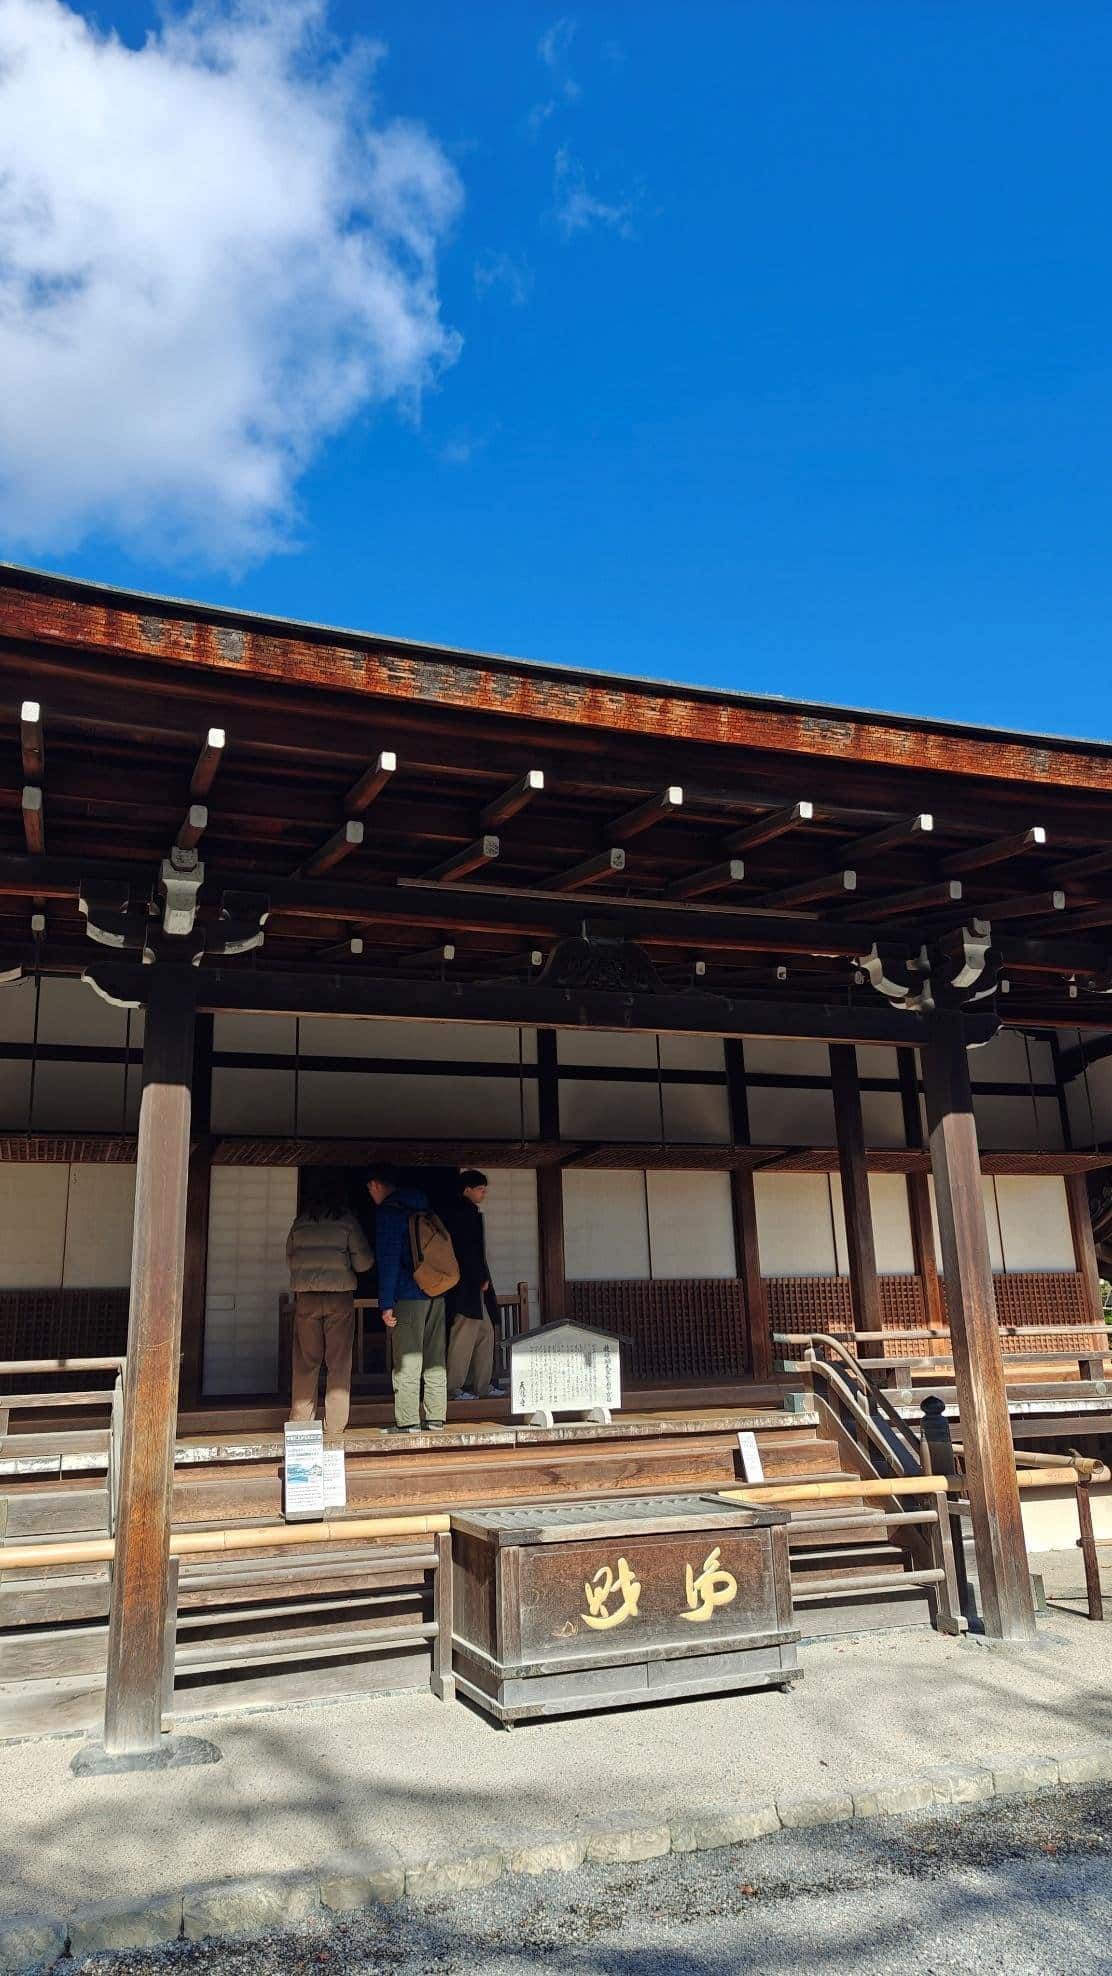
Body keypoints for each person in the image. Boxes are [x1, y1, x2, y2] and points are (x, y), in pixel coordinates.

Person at [286, 1170, 373, 1445]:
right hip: (339, 1297)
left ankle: (301, 1421)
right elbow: (363, 1262)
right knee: (338, 1362)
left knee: (305, 1361)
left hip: (307, 1297)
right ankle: (334, 1426)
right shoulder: (346, 1222)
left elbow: (289, 1258)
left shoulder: (300, 1224)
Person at [366, 1163, 448, 1433]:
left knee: (407, 1359)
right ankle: (436, 1417)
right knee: (435, 1357)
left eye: (370, 1188)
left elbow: (388, 1261)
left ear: (377, 1185)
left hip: (407, 1294)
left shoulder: (390, 1212)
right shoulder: (425, 1208)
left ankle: (409, 1421)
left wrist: (386, 1303)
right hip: (436, 1291)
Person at [445, 1170, 500, 1401]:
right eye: (480, 1189)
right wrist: (480, 1276)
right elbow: (467, 1251)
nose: (483, 1193)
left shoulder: (463, 1211)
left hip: (471, 1285)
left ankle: (482, 1385)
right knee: (464, 1335)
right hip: (466, 1286)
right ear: (467, 1188)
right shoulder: (462, 1212)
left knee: (485, 1332)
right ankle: (454, 1387)